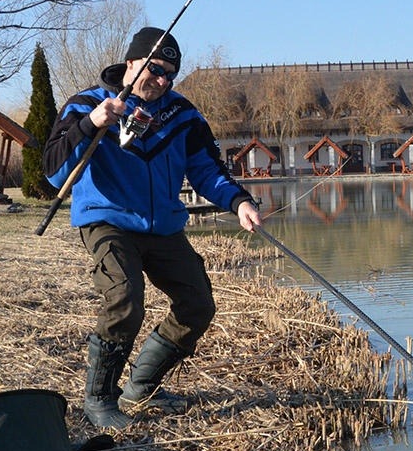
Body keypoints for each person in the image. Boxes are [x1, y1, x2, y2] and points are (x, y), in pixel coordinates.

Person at [44, 27, 262, 429]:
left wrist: (239, 200)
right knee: (125, 298)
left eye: (170, 76)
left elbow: (207, 170)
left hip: (162, 226)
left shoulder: (183, 115)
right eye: (156, 69)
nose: (162, 81)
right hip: (106, 219)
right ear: (131, 62)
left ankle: (141, 386)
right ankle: (100, 399)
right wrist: (92, 123)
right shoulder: (84, 104)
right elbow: (55, 174)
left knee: (198, 304)